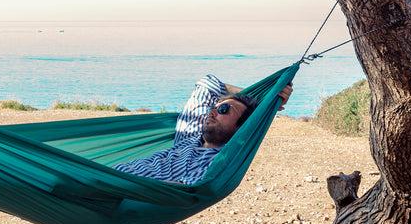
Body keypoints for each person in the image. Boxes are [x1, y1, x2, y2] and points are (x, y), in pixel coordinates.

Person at [113, 75, 292, 185]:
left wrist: (266, 108)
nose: (212, 111)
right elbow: (208, 84)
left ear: (241, 127)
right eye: (214, 107)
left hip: (113, 190)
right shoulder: (189, 134)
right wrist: (262, 99)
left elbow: (184, 189)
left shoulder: (218, 163)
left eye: (223, 110)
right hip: (106, 175)